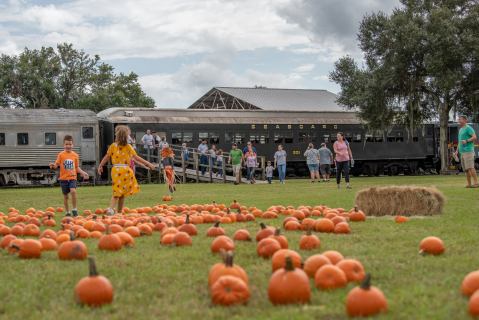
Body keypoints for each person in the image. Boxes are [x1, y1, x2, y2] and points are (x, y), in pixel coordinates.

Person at [98, 125, 157, 215]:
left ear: (116, 135)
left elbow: (106, 157)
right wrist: (148, 163)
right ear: (126, 136)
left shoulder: (113, 146)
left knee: (117, 190)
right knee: (121, 193)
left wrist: (100, 166)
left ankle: (117, 211)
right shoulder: (128, 146)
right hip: (126, 170)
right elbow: (136, 157)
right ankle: (112, 209)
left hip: (116, 170)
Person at [49, 135, 89, 217]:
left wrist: (83, 173)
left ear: (72, 145)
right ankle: (67, 212)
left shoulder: (75, 155)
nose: (68, 146)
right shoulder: (61, 155)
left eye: (70, 144)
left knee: (73, 191)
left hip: (72, 178)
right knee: (66, 196)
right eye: (66, 144)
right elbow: (56, 165)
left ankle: (74, 209)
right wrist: (53, 165)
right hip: (63, 179)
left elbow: (77, 167)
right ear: (64, 145)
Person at [455, 115, 478, 188]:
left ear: (465, 120)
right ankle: (469, 184)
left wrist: (467, 140)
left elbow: (474, 137)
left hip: (468, 151)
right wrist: (456, 151)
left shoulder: (468, 128)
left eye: (460, 119)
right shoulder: (461, 129)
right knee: (466, 169)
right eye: (459, 119)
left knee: (471, 167)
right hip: (462, 152)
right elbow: (459, 141)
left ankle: (476, 183)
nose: (459, 120)